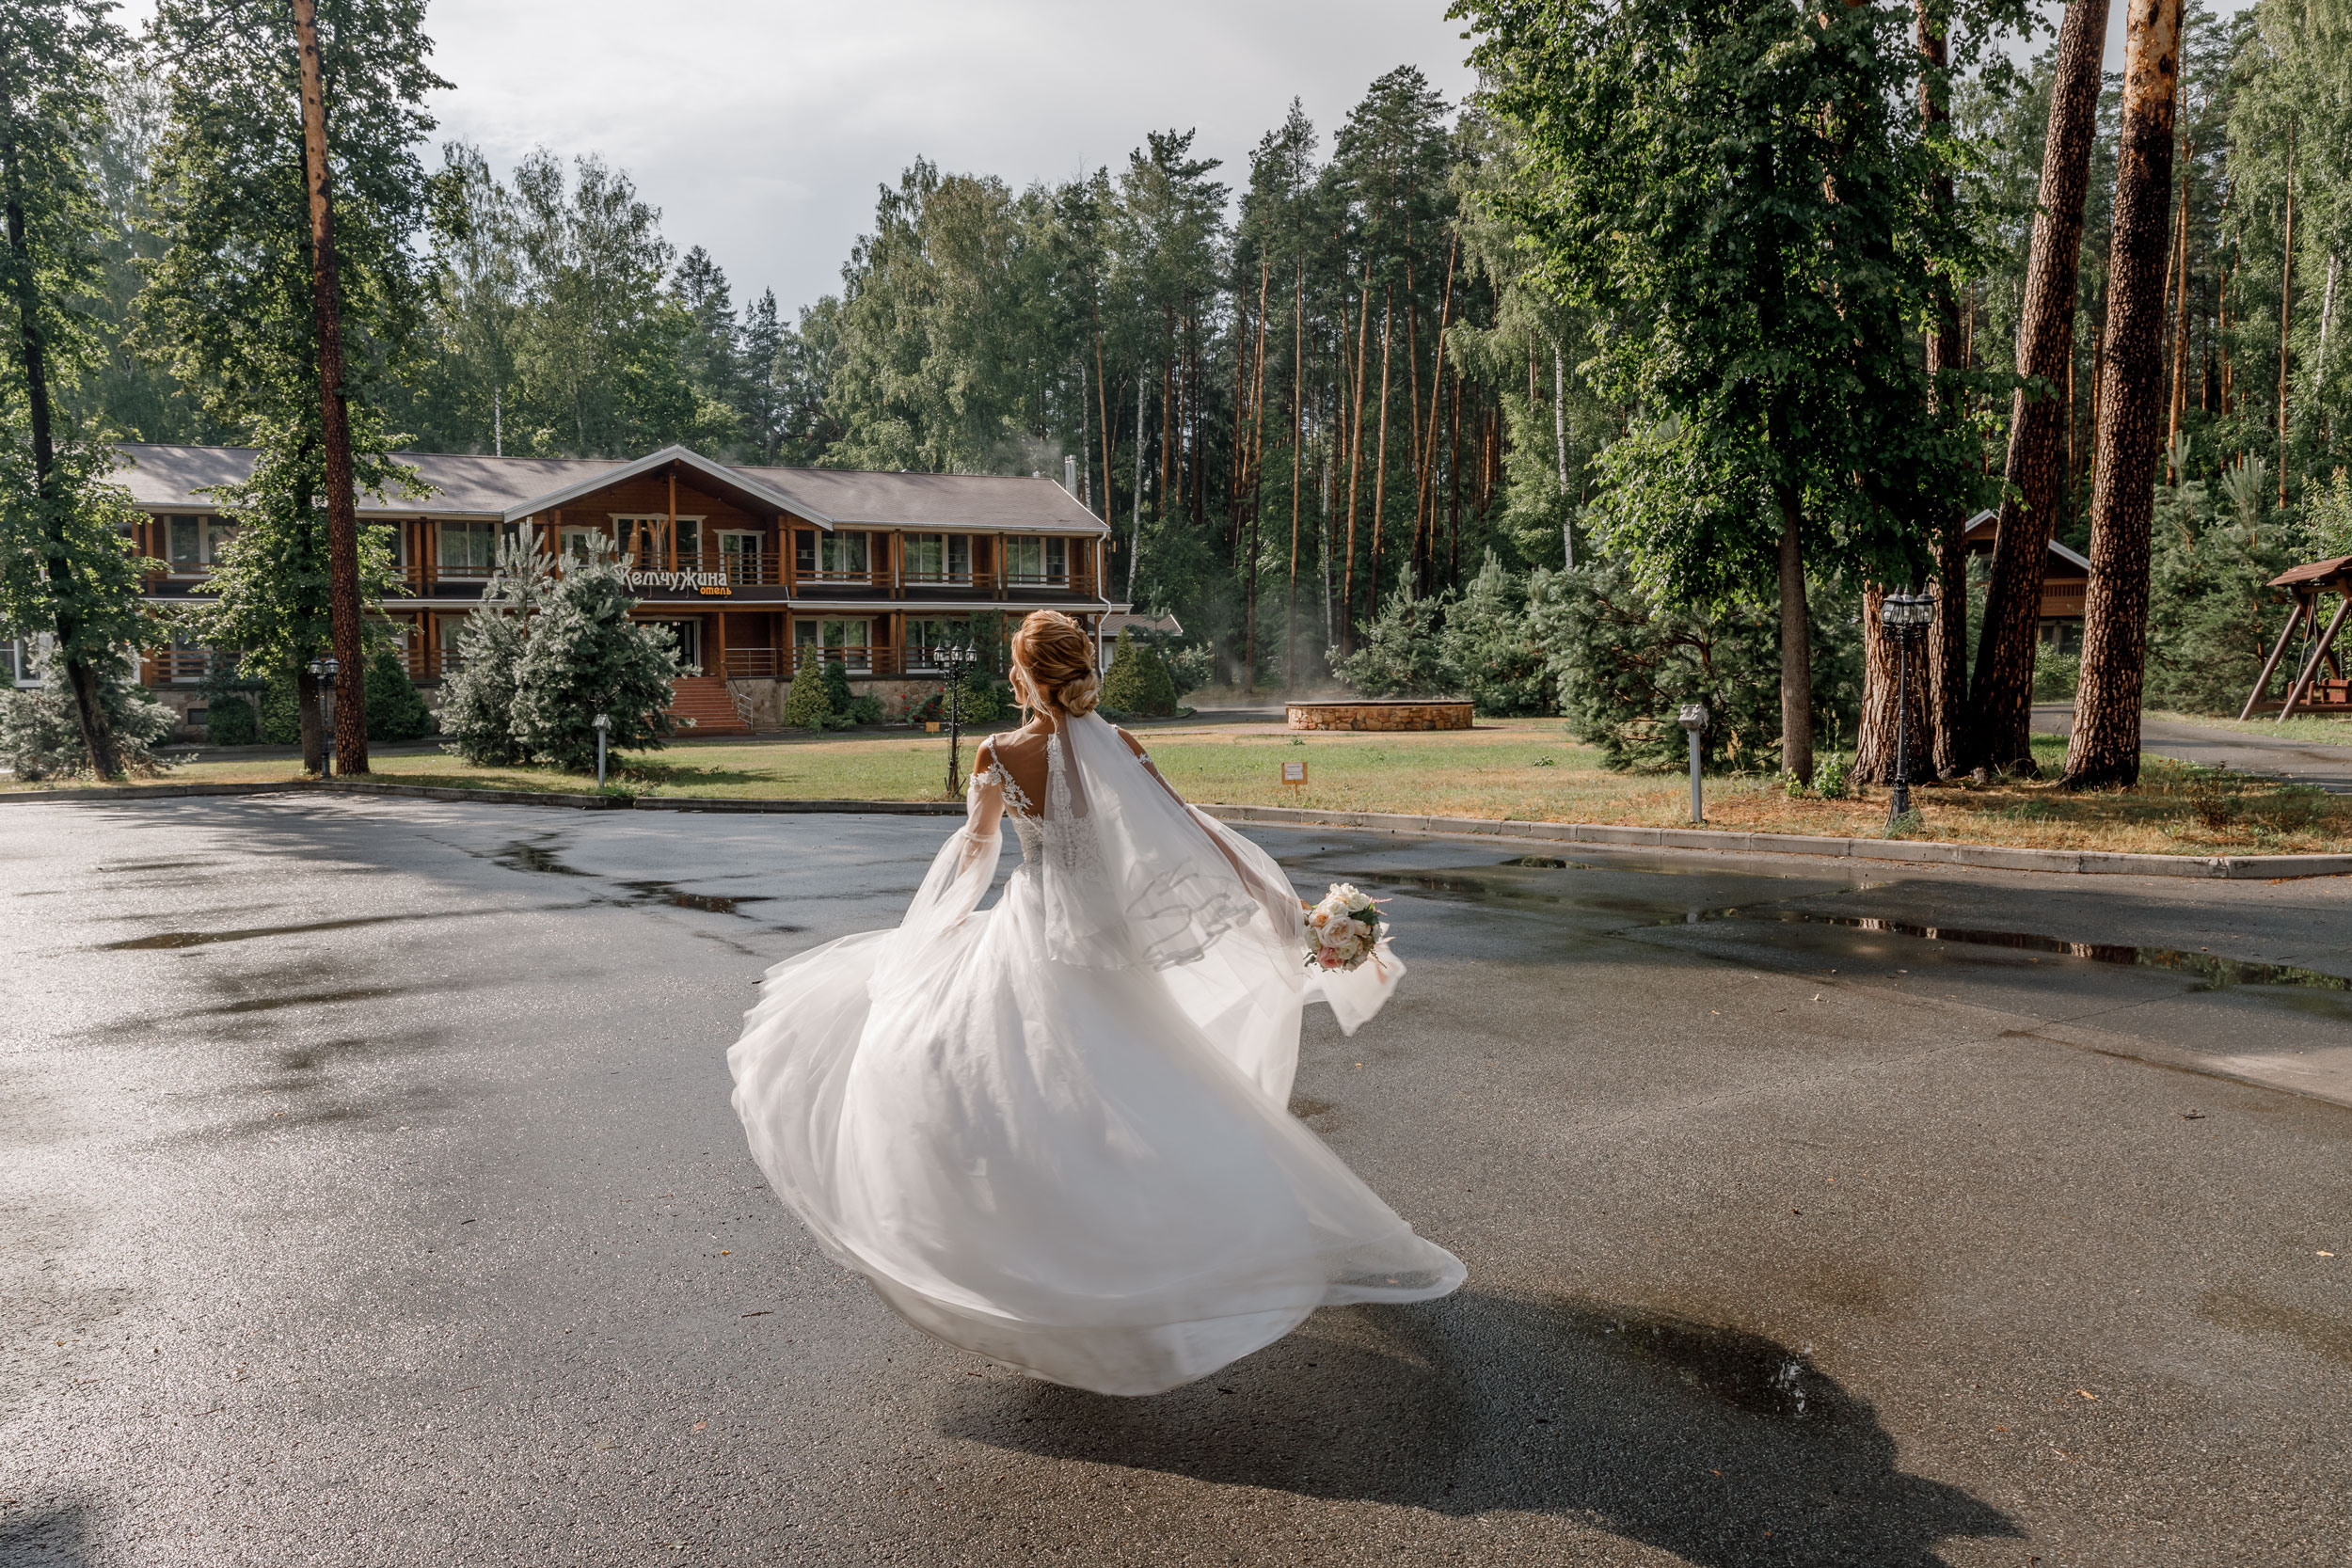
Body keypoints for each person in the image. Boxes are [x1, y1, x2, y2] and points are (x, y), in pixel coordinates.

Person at [727, 610, 1463, 1397]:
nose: (1010, 677)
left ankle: (1044, 1263)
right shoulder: (1123, 746)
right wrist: (1277, 906)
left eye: (1014, 666)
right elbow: (1191, 831)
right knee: (1141, 1093)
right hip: (1109, 941)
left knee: (1021, 1098)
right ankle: (1175, 1246)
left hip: (1035, 934)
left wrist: (926, 932)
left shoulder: (1000, 752)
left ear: (1026, 676)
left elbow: (975, 854)